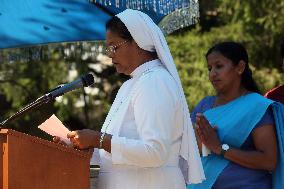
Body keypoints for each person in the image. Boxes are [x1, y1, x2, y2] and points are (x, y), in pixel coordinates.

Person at [59, 9, 205, 189]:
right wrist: (83, 147)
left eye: (114, 47)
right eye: (108, 48)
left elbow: (155, 151)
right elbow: (115, 154)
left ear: (138, 41)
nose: (110, 54)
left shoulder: (155, 81)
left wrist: (98, 139)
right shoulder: (131, 85)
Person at [187, 42, 284, 189]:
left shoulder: (256, 106)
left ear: (240, 67)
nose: (212, 74)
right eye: (209, 68)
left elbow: (269, 160)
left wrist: (220, 148)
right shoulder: (205, 105)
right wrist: (204, 143)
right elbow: (192, 152)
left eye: (219, 66)